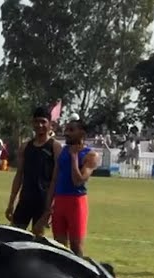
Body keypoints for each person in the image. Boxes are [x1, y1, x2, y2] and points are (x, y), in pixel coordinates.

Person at [44, 117, 100, 256]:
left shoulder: (90, 155)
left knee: (76, 247)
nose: (66, 133)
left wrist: (74, 158)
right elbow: (54, 179)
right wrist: (48, 205)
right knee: (59, 246)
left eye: (71, 130)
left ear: (82, 133)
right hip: (60, 201)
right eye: (66, 129)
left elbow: (78, 181)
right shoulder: (63, 151)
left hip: (76, 203)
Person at [6, 106, 61, 236]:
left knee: (38, 238)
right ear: (32, 123)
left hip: (43, 201)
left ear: (50, 124)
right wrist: (11, 202)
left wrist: (50, 207)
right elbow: (19, 175)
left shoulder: (55, 147)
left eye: (43, 122)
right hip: (25, 199)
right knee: (13, 235)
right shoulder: (25, 147)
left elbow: (56, 178)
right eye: (36, 122)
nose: (40, 125)